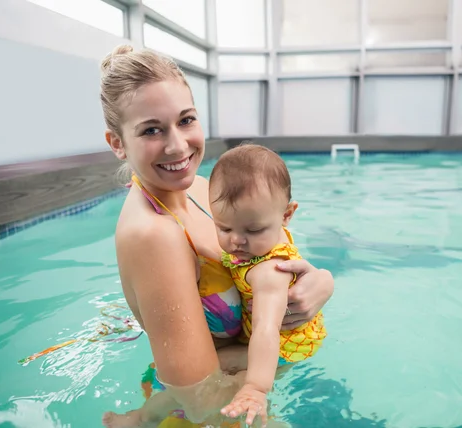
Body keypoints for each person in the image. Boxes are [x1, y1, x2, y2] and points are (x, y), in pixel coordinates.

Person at [97, 44, 335, 428]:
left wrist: (320, 284)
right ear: (117, 144)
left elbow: (271, 250)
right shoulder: (154, 235)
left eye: (186, 120)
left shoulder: (200, 188)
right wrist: (262, 382)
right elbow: (201, 398)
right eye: (152, 130)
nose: (177, 145)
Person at [207, 144, 327, 427]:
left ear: (287, 215)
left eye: (253, 230)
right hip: (276, 338)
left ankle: (145, 417)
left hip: (286, 346)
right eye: (224, 228)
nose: (236, 241)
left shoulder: (270, 271)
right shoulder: (258, 233)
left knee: (212, 368)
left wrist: (256, 387)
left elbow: (266, 328)